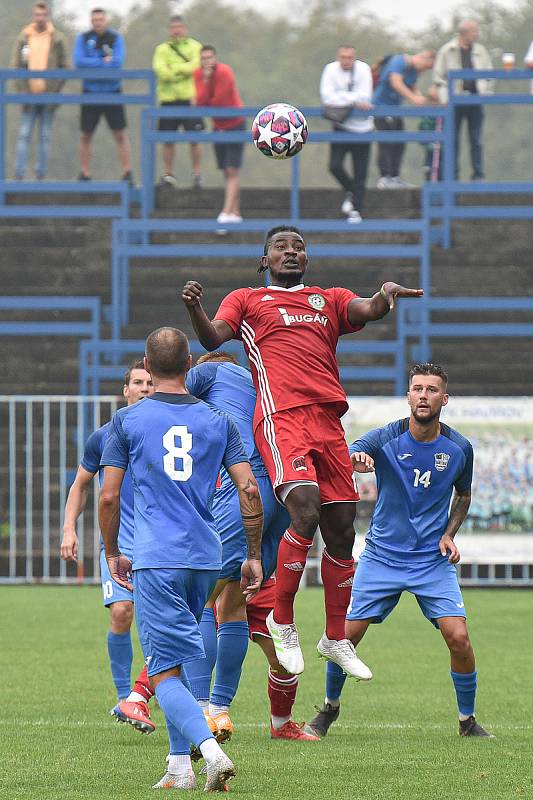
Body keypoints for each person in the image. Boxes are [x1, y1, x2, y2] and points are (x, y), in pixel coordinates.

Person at [181, 225, 423, 679]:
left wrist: (383, 296)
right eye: (280, 247)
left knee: (342, 529)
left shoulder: (327, 299)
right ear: (264, 259)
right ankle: (283, 620)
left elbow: (365, 309)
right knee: (306, 510)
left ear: (307, 258)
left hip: (328, 421)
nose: (291, 252)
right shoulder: (248, 299)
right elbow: (213, 339)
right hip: (282, 417)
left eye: (298, 247)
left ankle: (334, 637)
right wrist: (195, 308)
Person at [99, 327, 264, 791]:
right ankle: (178, 764)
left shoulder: (127, 422)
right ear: (192, 366)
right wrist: (251, 554)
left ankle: (210, 753)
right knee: (180, 659)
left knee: (163, 669)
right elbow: (249, 489)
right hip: (207, 558)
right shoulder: (220, 422)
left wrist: (113, 551)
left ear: (147, 370)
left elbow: (109, 497)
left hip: (158, 558)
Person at [304, 363, 493, 739]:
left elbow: (464, 494)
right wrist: (358, 459)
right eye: (417, 389)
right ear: (408, 396)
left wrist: (449, 534)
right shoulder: (386, 437)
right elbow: (354, 449)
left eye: (432, 389)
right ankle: (329, 709)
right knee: (345, 638)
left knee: (458, 637)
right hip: (382, 558)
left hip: (430, 562)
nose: (424, 395)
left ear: (445, 398)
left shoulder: (459, 448)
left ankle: (467, 721)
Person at [184, 352, 316, 742]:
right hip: (284, 488)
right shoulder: (263, 381)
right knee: (235, 602)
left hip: (249, 487)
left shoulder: (212, 373)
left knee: (203, 600)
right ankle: (221, 709)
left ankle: (203, 707)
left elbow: (171, 399)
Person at [60, 361, 156, 732]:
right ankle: (124, 697)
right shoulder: (104, 436)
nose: (145, 387)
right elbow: (81, 484)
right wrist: (69, 528)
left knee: (157, 622)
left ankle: (149, 690)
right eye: (137, 382)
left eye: (150, 381)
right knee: (121, 612)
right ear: (125, 390)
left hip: (157, 544)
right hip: (118, 543)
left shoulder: (167, 433)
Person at [246, 576, 320, 741]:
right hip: (219, 577)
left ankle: (281, 725)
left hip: (262, 582)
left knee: (284, 660)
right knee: (200, 651)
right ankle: (207, 717)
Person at [73, 7, 132, 182]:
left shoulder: (116, 38)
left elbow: (117, 62)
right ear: (91, 22)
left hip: (112, 91)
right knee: (86, 134)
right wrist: (100, 61)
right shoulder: (83, 38)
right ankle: (85, 173)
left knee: (120, 134)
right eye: (95, 20)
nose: (98, 22)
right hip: (90, 92)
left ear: (106, 21)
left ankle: (127, 172)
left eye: (101, 19)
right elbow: (79, 61)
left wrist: (100, 63)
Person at [11, 2, 68, 181]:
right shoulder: (24, 37)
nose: (40, 18)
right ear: (33, 16)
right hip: (28, 96)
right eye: (37, 15)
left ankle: (40, 174)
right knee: (24, 134)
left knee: (45, 136)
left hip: (48, 96)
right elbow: (15, 65)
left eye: (43, 15)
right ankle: (19, 174)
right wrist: (21, 90)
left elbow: (64, 66)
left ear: (48, 16)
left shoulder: (57, 38)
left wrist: (55, 89)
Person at [319, 45, 373, 223]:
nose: (346, 61)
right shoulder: (330, 69)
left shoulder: (363, 69)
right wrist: (353, 100)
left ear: (354, 57)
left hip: (363, 128)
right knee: (334, 166)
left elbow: (365, 96)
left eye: (349, 57)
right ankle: (351, 191)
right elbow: (327, 98)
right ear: (338, 56)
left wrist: (343, 98)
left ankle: (357, 209)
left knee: (360, 171)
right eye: (343, 57)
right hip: (341, 125)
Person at [434, 20, 493, 180]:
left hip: (475, 99)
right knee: (452, 139)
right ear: (464, 33)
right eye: (474, 31)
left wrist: (485, 92)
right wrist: (445, 97)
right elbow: (439, 77)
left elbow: (489, 73)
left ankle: (478, 176)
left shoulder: (480, 51)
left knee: (476, 139)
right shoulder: (447, 50)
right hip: (454, 101)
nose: (477, 34)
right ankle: (452, 176)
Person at [194, 46, 245, 225]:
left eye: (210, 57)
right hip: (218, 125)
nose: (207, 61)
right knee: (226, 169)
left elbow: (220, 100)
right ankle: (235, 211)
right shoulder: (198, 74)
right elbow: (200, 103)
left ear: (215, 58)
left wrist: (208, 91)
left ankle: (226, 212)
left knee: (232, 169)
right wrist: (206, 81)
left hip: (235, 123)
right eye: (203, 58)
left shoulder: (225, 72)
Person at [152, 15, 203, 188]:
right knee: (168, 139)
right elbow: (161, 72)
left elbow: (197, 67)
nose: (176, 30)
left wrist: (174, 69)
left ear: (185, 28)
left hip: (189, 98)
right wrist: (183, 71)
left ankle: (197, 174)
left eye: (179, 27)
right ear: (169, 29)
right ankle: (168, 175)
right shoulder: (161, 50)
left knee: (195, 138)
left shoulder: (196, 47)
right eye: (173, 27)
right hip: (168, 99)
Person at [372, 50, 435, 189]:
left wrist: (420, 99)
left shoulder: (414, 71)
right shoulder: (399, 62)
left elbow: (412, 86)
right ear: (422, 57)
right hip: (381, 107)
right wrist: (413, 99)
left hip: (395, 109)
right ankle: (384, 177)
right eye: (425, 67)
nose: (424, 71)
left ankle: (395, 176)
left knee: (400, 142)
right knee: (386, 142)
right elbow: (396, 83)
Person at [418, 86, 443, 181]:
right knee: (429, 173)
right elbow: (422, 136)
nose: (434, 104)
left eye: (436, 100)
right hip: (430, 154)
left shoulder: (445, 118)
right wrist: (430, 144)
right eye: (432, 100)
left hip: (443, 155)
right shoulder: (426, 118)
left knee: (442, 173)